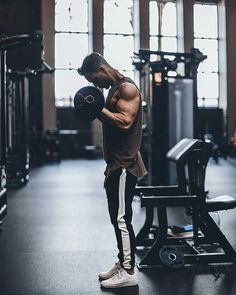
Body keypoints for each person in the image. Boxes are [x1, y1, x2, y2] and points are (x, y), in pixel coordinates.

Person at [78, 52, 147, 289]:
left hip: (125, 164)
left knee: (121, 218)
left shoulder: (126, 87)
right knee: (115, 217)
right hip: (115, 164)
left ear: (101, 69)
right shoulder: (112, 89)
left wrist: (97, 108)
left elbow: (125, 121)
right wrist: (97, 108)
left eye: (94, 79)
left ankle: (129, 270)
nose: (95, 85)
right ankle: (122, 261)